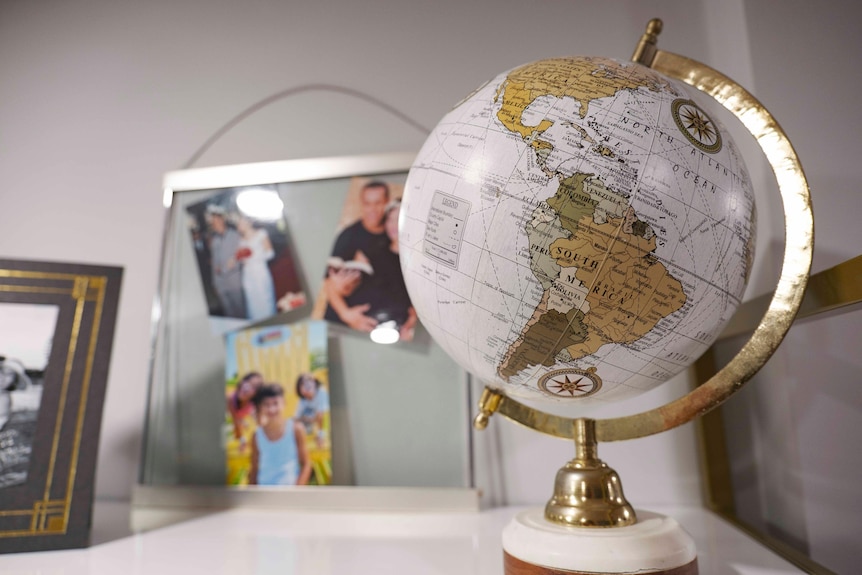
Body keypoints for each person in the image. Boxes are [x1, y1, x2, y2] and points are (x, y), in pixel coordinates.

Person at [323, 181, 391, 332]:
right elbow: (329, 283)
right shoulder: (348, 236)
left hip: (378, 325)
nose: (372, 209)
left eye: (378, 203)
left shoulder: (393, 233)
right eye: (367, 204)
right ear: (361, 204)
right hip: (342, 323)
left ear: (386, 202)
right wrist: (346, 314)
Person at [249, 383, 312, 486]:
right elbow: (254, 469)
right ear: (260, 407)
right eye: (266, 404)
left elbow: (306, 464)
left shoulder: (296, 429)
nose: (271, 409)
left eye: (275, 403)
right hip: (264, 489)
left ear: (283, 404)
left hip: (289, 489)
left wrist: (297, 490)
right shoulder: (257, 436)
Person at [206, 204, 247, 319]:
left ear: (222, 220)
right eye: (212, 222)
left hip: (234, 282)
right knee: (229, 315)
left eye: (216, 220)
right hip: (221, 285)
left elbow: (240, 258)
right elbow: (214, 264)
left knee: (240, 313)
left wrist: (224, 269)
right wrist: (215, 283)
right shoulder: (214, 241)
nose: (215, 224)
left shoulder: (235, 236)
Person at [235, 215, 276, 321]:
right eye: (238, 224)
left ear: (248, 223)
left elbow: (270, 253)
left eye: (241, 223)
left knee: (265, 299)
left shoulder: (261, 234)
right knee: (252, 302)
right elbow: (241, 258)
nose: (239, 226)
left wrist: (254, 257)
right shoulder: (241, 241)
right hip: (248, 274)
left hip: (260, 271)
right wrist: (242, 259)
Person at [226, 371, 263, 451]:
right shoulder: (229, 399)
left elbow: (259, 423)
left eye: (254, 387)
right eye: (247, 383)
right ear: (242, 382)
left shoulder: (252, 405)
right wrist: (242, 441)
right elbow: (236, 425)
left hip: (240, 417)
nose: (247, 388)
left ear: (256, 394)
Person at [294, 373, 330, 442]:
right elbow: (296, 418)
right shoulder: (302, 401)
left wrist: (321, 434)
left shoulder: (321, 393)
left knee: (320, 415)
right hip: (311, 426)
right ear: (300, 391)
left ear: (315, 383)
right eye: (303, 384)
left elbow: (322, 415)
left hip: (325, 426)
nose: (307, 385)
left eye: (309, 382)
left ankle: (320, 435)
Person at [0, 356, 31, 431]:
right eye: (2, 371)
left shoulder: (4, 400)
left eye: (10, 374)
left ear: (14, 381)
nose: (3, 377)